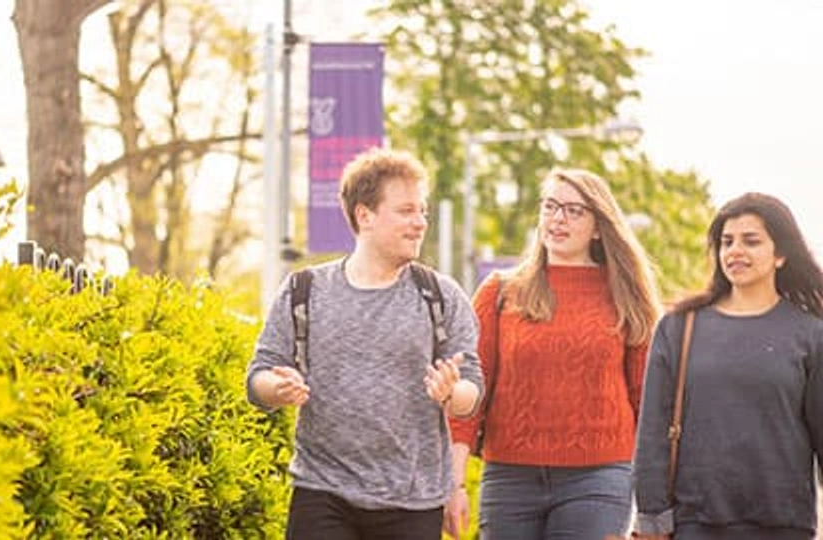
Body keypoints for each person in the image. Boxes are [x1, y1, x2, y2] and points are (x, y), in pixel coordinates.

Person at [245, 146, 485, 540]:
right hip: (322, 492)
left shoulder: (440, 296)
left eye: (422, 211)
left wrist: (450, 393)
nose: (420, 222)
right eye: (406, 211)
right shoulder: (303, 291)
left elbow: (472, 390)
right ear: (365, 215)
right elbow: (257, 379)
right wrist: (278, 388)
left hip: (413, 501)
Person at [445, 167, 661, 540]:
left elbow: (646, 401)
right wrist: (454, 485)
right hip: (510, 476)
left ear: (598, 226)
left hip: (600, 475)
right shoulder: (499, 292)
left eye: (574, 210)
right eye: (550, 206)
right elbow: (470, 395)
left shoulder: (626, 297)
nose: (558, 219)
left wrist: (656, 502)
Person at [632, 192, 823, 540]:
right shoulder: (678, 327)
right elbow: (652, 432)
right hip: (694, 521)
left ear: (780, 254)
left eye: (751, 241)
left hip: (784, 523)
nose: (735, 251)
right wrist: (651, 516)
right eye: (727, 242)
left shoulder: (811, 334)